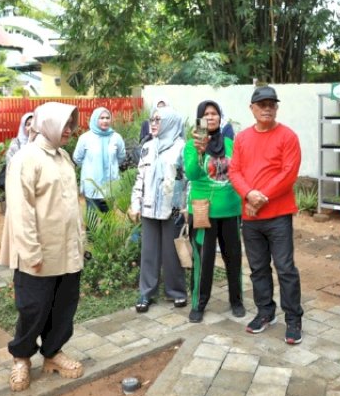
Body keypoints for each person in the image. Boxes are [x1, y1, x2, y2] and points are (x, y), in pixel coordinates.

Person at [0, 102, 85, 392]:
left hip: (67, 250)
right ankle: (21, 358)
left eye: (71, 124)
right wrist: (31, 252)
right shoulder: (26, 158)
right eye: (65, 124)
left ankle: (53, 353)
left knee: (64, 306)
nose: (70, 130)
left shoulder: (63, 157)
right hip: (38, 252)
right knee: (33, 308)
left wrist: (79, 241)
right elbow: (20, 211)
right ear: (47, 124)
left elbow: (73, 204)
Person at [229, 86, 304, 345]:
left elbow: (288, 173)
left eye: (272, 103)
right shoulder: (242, 138)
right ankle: (265, 312)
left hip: (278, 215)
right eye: (262, 104)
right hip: (250, 217)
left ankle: (293, 319)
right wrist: (250, 194)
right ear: (252, 108)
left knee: (285, 269)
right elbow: (234, 171)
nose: (267, 108)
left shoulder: (288, 136)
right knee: (258, 268)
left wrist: (260, 198)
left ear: (277, 107)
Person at [183, 100, 244, 323]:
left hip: (230, 210)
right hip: (203, 212)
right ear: (200, 118)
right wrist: (199, 152)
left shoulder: (230, 143)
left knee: (234, 257)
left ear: (220, 117)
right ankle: (199, 303)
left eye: (215, 113)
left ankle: (236, 300)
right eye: (206, 114)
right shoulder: (191, 144)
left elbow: (239, 171)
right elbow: (191, 173)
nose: (211, 117)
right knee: (203, 259)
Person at [129, 106, 188, 313]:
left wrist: (185, 207)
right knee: (149, 253)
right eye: (152, 119)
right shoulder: (148, 146)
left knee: (172, 252)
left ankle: (177, 292)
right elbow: (140, 177)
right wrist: (135, 203)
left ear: (170, 122)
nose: (153, 123)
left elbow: (187, 179)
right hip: (148, 206)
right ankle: (146, 293)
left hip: (173, 208)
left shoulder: (181, 147)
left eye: (158, 120)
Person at [73, 107, 126, 214]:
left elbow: (121, 156)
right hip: (92, 185)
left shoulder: (116, 137)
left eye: (107, 118)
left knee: (108, 222)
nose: (105, 121)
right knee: (92, 220)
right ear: (95, 119)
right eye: (101, 118)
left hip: (110, 186)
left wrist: (112, 166)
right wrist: (91, 167)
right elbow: (77, 158)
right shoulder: (85, 138)